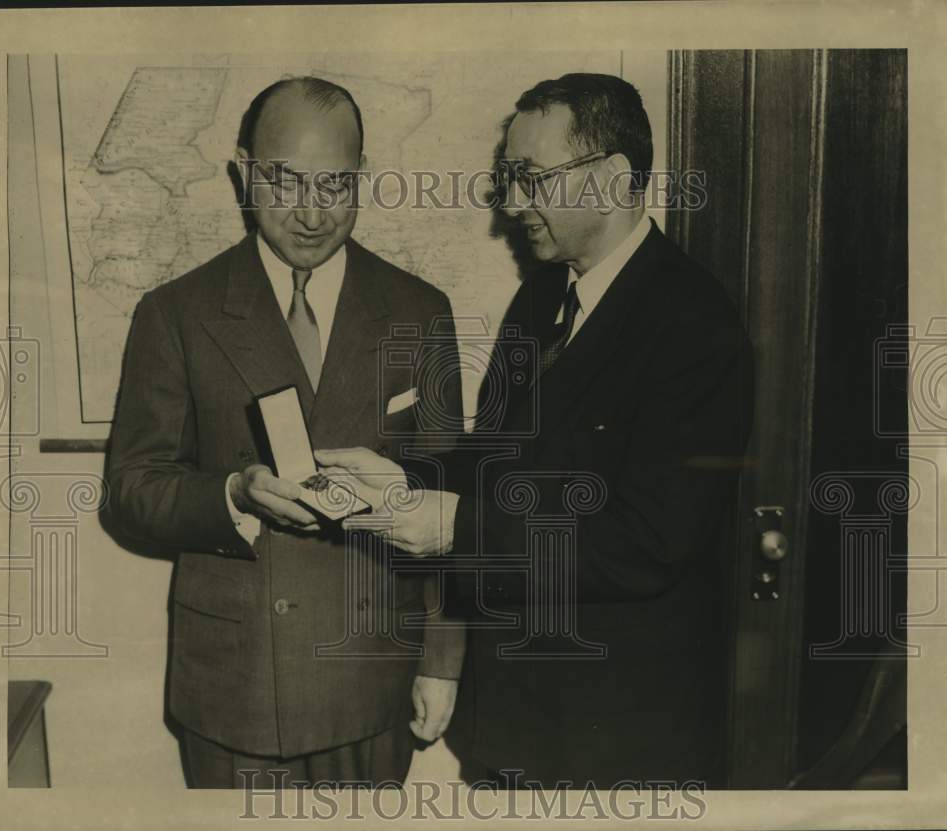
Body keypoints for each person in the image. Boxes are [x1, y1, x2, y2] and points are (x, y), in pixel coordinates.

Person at [317, 73, 754, 789]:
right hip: (510, 726)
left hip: (615, 743)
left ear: (611, 179)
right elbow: (492, 465)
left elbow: (646, 544)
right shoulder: (540, 296)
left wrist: (459, 528)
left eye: (531, 177)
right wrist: (406, 479)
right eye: (508, 178)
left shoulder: (694, 325)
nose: (513, 203)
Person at [103, 77, 464, 788]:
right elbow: (130, 491)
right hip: (237, 687)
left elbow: (450, 498)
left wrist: (441, 659)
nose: (310, 211)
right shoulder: (176, 313)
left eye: (334, 184)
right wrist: (233, 494)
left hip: (372, 675)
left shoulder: (421, 311)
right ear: (243, 171)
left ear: (362, 180)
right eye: (285, 180)